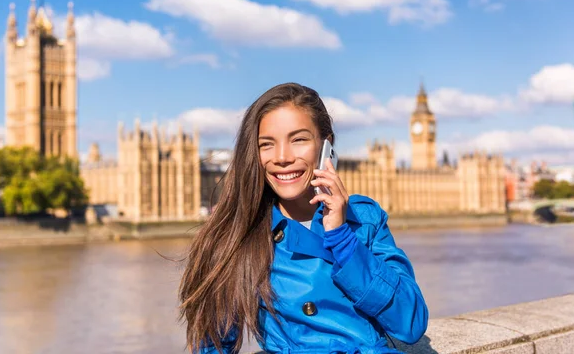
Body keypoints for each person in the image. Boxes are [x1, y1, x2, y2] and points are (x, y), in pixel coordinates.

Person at [180, 83, 429, 354]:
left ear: (326, 146)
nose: (283, 157)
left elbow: (411, 322)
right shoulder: (239, 236)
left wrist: (343, 240)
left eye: (298, 139)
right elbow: (212, 345)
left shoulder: (365, 220)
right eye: (267, 144)